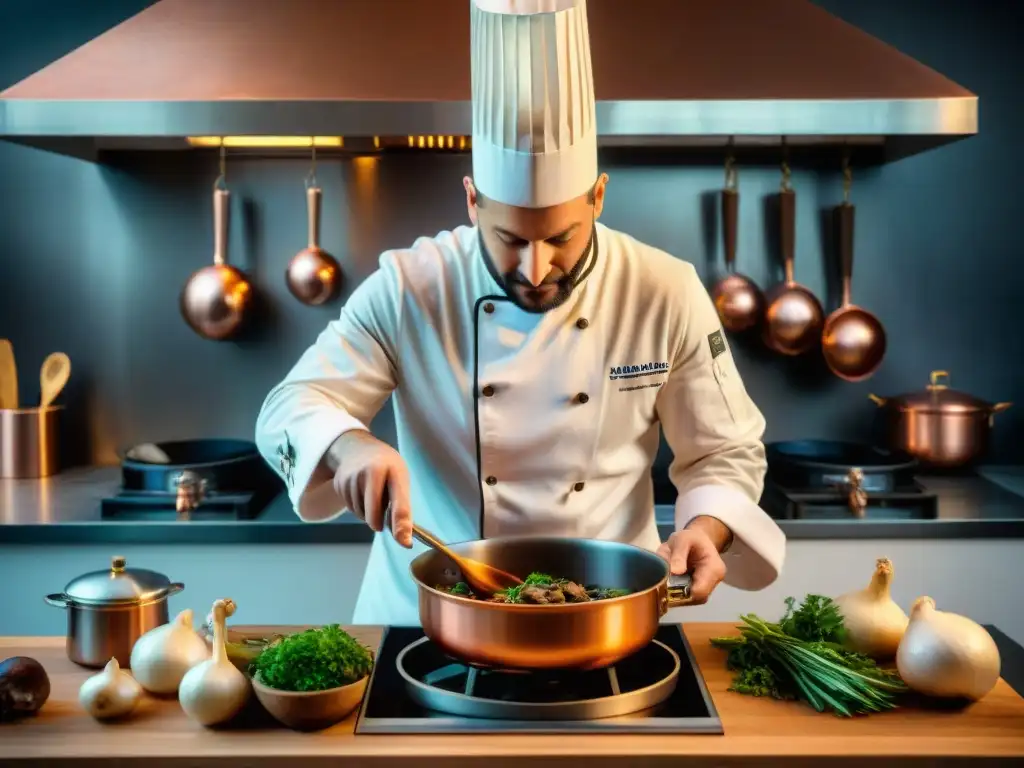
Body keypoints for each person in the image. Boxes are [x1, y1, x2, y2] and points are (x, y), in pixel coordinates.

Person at [255, 0, 786, 626]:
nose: (535, 269)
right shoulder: (410, 287)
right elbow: (289, 407)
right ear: (473, 200)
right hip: (426, 619)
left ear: (599, 196)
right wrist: (347, 448)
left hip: (607, 616)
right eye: (511, 239)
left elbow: (726, 449)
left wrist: (708, 526)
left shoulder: (663, 289)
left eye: (561, 237)